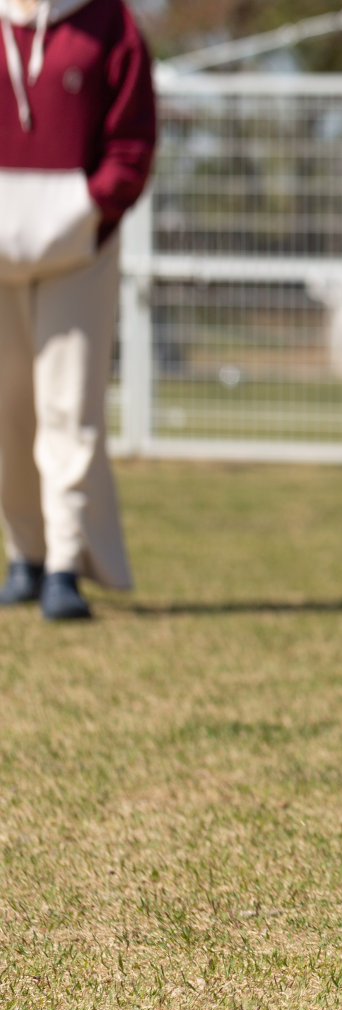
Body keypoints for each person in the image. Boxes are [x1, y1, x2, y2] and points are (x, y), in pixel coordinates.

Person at [0, 0, 156, 620]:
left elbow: (132, 136)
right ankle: (26, 555)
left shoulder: (109, 23)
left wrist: (93, 209)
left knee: (70, 403)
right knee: (7, 409)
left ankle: (66, 561)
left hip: (79, 246)